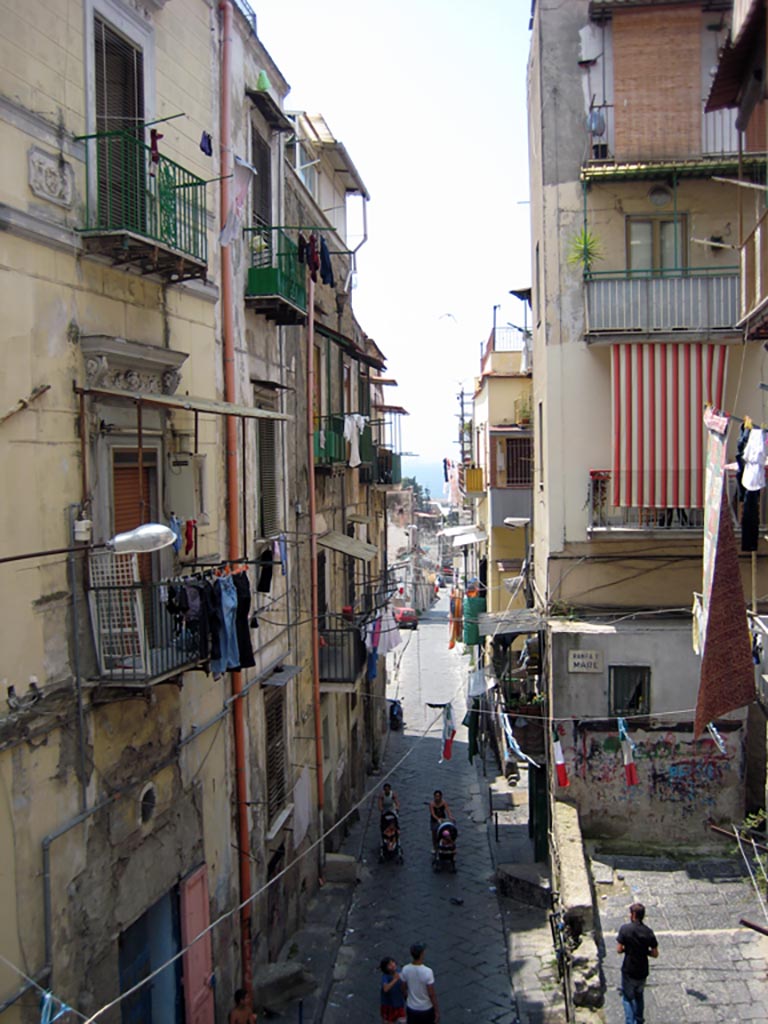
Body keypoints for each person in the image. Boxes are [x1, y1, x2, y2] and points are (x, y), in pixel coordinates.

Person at [616, 902, 659, 1024]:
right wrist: (645, 952)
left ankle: (630, 1022)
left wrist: (627, 949)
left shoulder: (625, 929)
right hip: (642, 970)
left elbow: (619, 949)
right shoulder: (648, 932)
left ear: (633, 915)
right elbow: (655, 953)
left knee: (628, 998)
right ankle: (639, 1020)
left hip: (629, 970)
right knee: (639, 995)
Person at [401, 943, 439, 1023]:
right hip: (426, 1008)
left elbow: (403, 989)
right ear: (422, 954)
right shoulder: (428, 972)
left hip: (411, 1008)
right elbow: (431, 993)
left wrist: (408, 999)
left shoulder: (405, 969)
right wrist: (436, 1010)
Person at [379, 957, 406, 1022]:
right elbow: (385, 989)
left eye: (392, 962)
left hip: (399, 1004)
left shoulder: (399, 972)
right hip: (389, 1006)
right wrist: (395, 980)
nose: (393, 965)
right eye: (389, 965)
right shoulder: (385, 977)